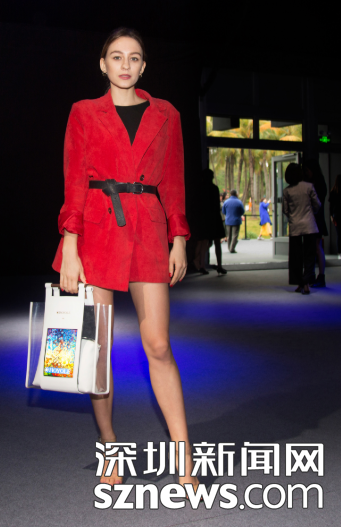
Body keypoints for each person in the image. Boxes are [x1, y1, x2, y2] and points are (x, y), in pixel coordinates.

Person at [52, 28, 198, 493]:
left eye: (134, 58)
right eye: (116, 57)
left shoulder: (167, 114)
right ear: (103, 64)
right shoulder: (83, 112)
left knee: (159, 345)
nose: (125, 65)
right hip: (97, 233)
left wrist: (179, 237)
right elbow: (74, 181)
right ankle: (109, 444)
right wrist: (70, 245)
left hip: (149, 232)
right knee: (98, 351)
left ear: (143, 65)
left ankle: (184, 455)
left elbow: (173, 180)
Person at [283, 163, 321, 295]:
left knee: (296, 257)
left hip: (295, 227)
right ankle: (306, 283)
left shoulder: (287, 191)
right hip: (309, 226)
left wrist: (293, 217)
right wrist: (311, 213)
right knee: (310, 256)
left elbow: (285, 210)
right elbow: (317, 205)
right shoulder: (308, 186)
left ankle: (300, 283)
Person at [195, 169, 227, 275]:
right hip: (214, 217)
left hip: (204, 218)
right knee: (217, 243)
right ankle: (219, 265)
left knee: (204, 243)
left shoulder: (200, 188)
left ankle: (202, 266)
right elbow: (216, 205)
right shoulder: (214, 188)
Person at [303, 159, 328, 286]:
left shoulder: (316, 184)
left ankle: (320, 276)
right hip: (316, 218)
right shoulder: (319, 183)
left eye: (308, 170)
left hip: (315, 218)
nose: (306, 173)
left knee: (317, 247)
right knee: (316, 248)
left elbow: (317, 203)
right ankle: (317, 275)